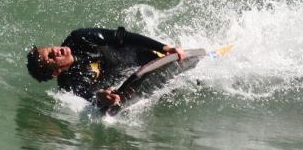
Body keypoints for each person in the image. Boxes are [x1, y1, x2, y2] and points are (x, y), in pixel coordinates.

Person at [26, 27, 186, 108]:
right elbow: (88, 97)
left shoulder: (80, 38)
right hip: (131, 79)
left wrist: (165, 48)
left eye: (50, 50)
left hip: (144, 56)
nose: (55, 51)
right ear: (56, 72)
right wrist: (102, 98)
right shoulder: (70, 83)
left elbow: (124, 37)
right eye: (52, 57)